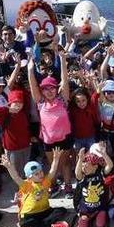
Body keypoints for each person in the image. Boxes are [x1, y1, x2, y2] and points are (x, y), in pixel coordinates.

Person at [0, 148, 70, 227]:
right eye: (36, 174)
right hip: (30, 214)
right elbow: (16, 177)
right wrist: (9, 167)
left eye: (41, 172)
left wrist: (56, 159)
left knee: (62, 210)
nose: (40, 174)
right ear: (29, 177)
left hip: (44, 210)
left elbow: (52, 171)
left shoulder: (45, 181)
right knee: (24, 224)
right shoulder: (26, 184)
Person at [27, 52, 73, 187]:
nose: (49, 91)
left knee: (65, 162)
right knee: (53, 164)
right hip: (48, 140)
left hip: (65, 138)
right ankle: (53, 186)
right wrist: (30, 69)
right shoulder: (40, 102)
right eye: (45, 89)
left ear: (56, 89)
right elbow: (33, 86)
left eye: (52, 88)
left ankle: (68, 185)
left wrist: (63, 60)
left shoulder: (63, 100)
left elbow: (64, 81)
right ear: (42, 91)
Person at [74, 145, 114, 227]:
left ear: (95, 166)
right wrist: (80, 159)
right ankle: (87, 220)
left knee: (102, 226)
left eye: (86, 165)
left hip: (100, 208)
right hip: (86, 210)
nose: (83, 167)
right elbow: (77, 173)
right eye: (82, 165)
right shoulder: (83, 177)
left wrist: (104, 154)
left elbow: (110, 165)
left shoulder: (100, 174)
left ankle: (96, 218)